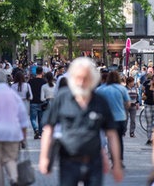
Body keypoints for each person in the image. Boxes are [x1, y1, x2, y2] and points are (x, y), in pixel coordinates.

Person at [39, 57, 123, 185]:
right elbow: (48, 128)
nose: (81, 82)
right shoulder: (62, 98)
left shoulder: (100, 101)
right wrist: (44, 157)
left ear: (93, 80)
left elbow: (111, 134)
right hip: (68, 161)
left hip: (94, 161)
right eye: (78, 78)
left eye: (86, 78)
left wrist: (116, 163)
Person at [0, 69, 29, 186]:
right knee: (10, 159)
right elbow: (23, 116)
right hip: (12, 133)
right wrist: (23, 136)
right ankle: (13, 178)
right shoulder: (13, 95)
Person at [96, 71, 131, 168]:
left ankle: (111, 159)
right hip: (121, 117)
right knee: (119, 139)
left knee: (109, 139)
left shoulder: (101, 90)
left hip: (107, 118)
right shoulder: (122, 89)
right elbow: (128, 103)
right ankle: (119, 160)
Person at [28, 66, 47, 139]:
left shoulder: (30, 81)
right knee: (41, 119)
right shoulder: (44, 82)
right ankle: (40, 133)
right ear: (42, 72)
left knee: (32, 118)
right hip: (42, 102)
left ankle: (36, 129)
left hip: (33, 102)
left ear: (36, 72)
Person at [143, 74, 154, 145]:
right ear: (151, 80)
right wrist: (152, 86)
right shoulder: (147, 86)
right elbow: (147, 94)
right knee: (149, 123)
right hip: (148, 105)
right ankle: (149, 138)